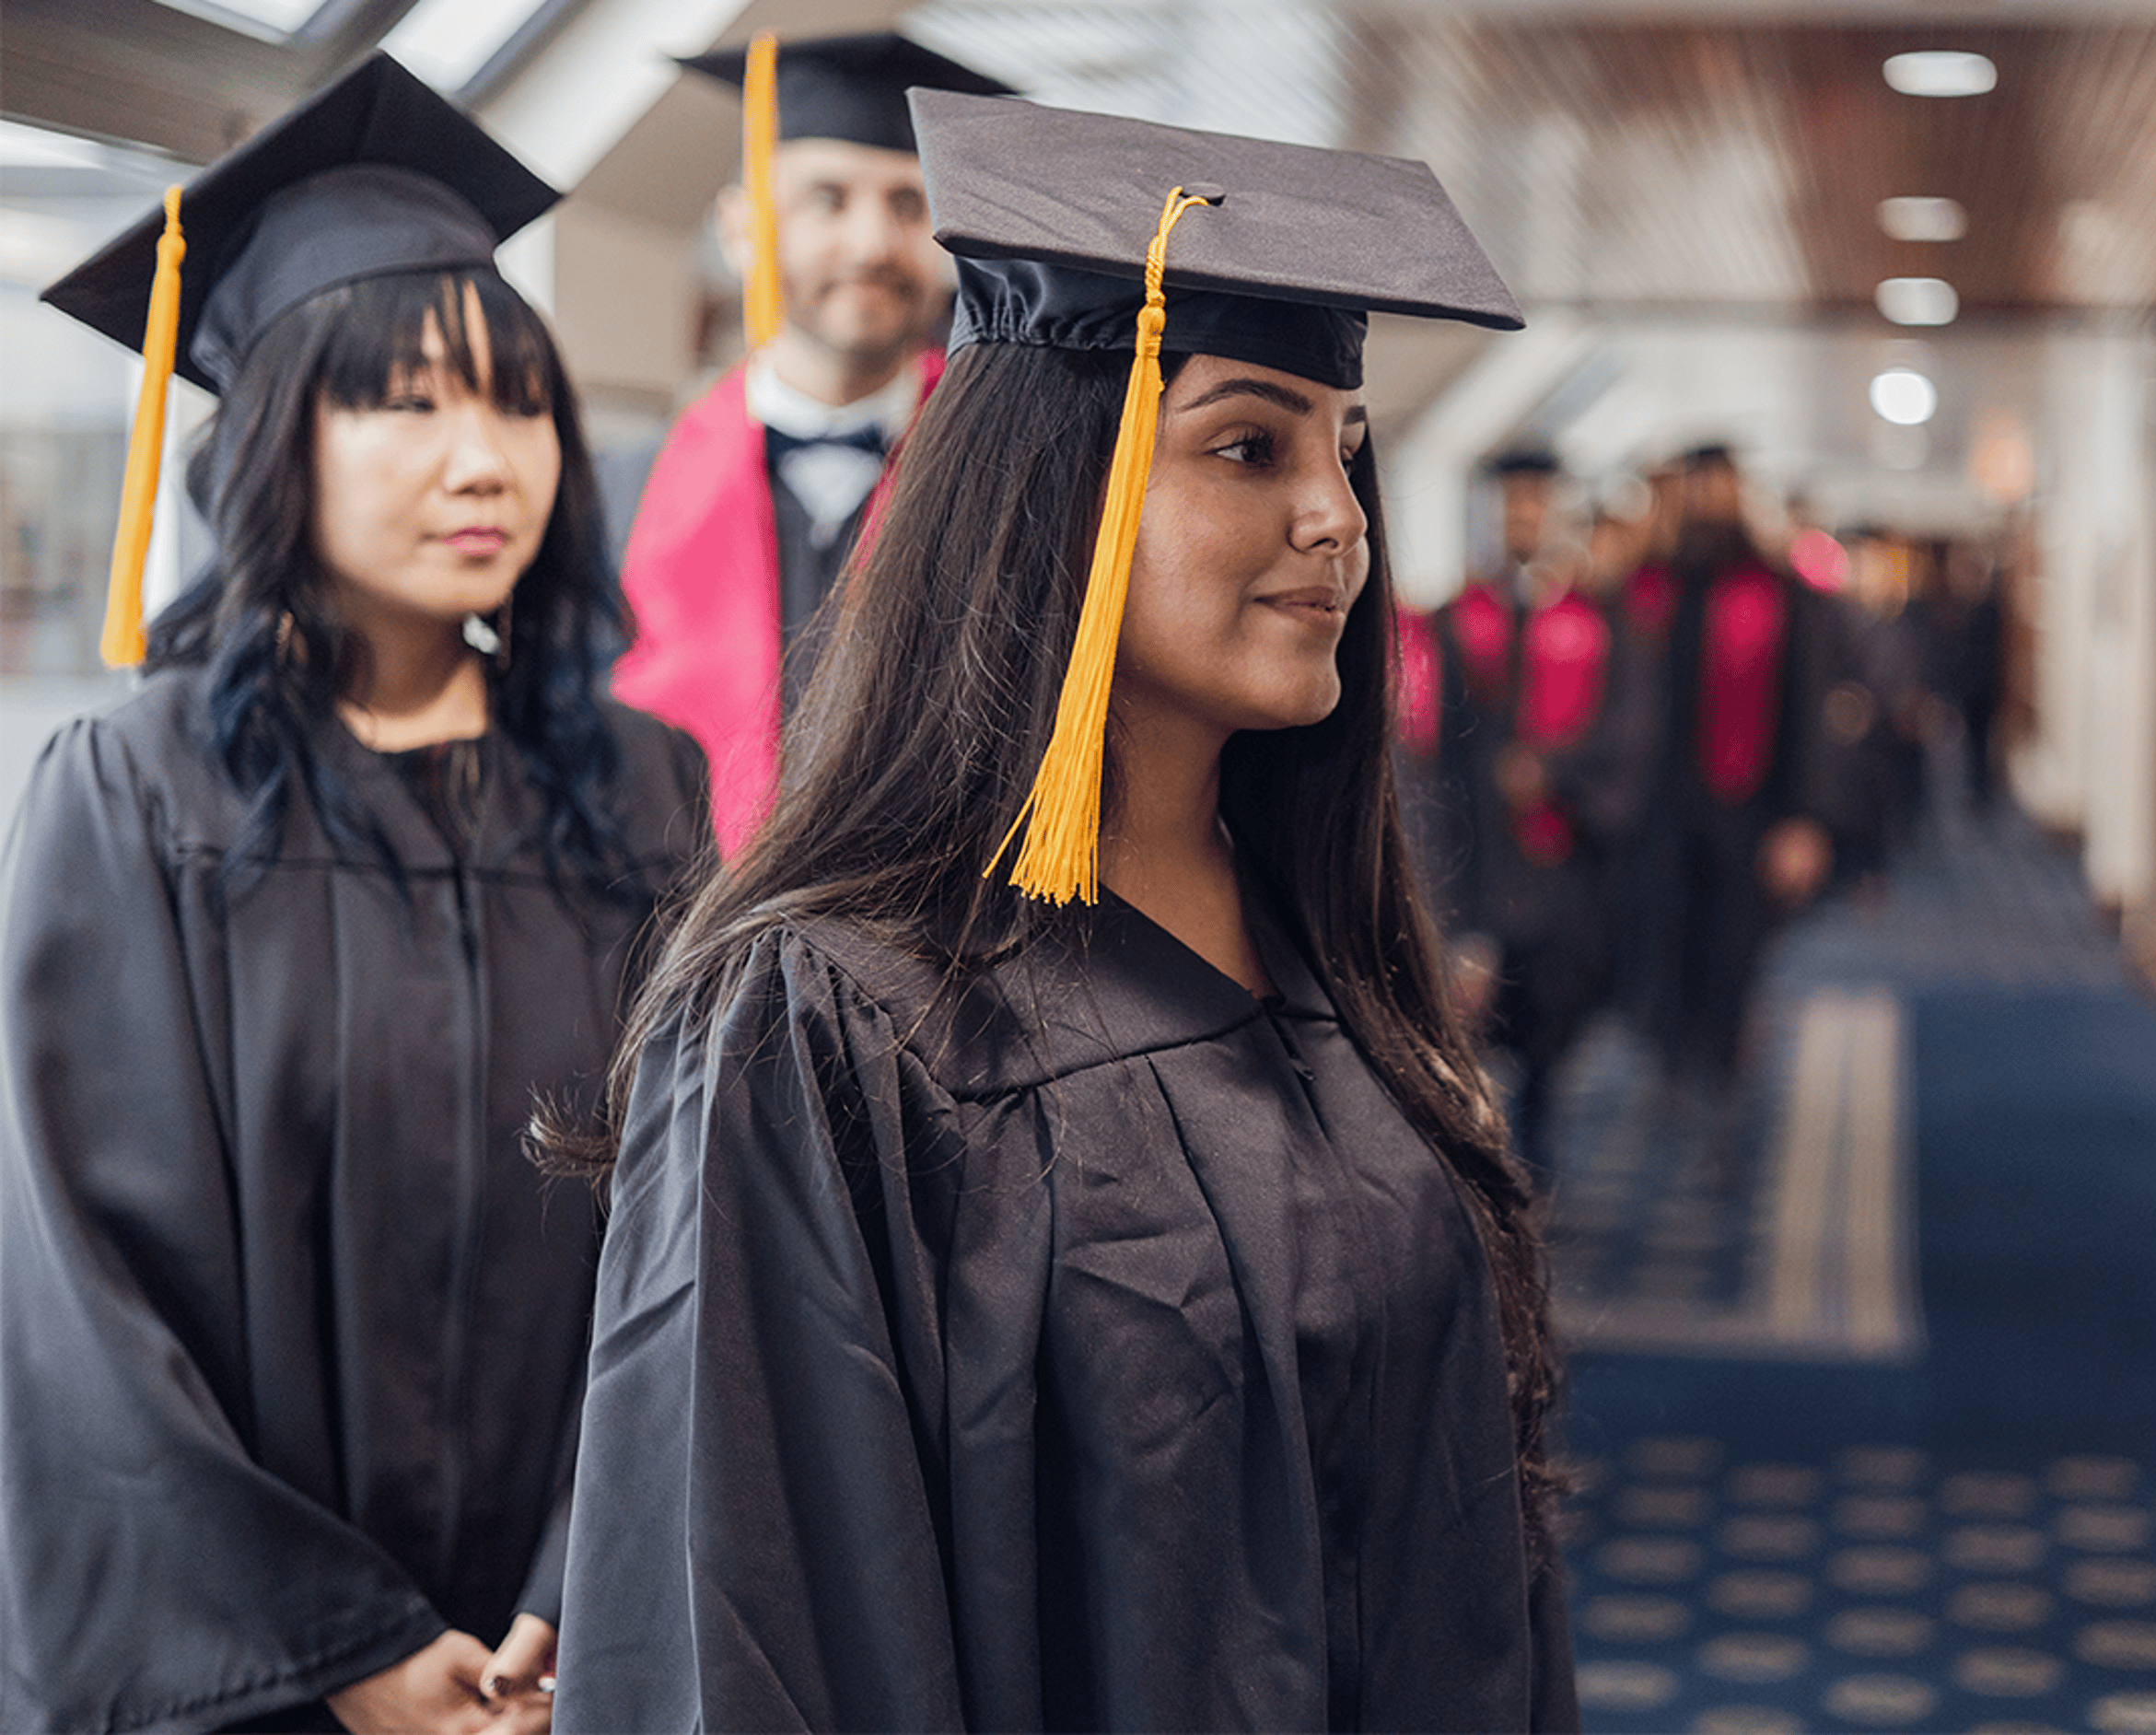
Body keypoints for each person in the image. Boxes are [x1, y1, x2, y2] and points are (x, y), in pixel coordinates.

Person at [552, 93, 1579, 1730]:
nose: (1339, 517)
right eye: (1251, 444)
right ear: (1057, 495)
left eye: (1346, 445)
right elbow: (757, 1638)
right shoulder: (834, 1023)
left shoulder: (1331, 947)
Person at [4, 56, 709, 1734]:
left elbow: (699, 1220)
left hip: (572, 1653)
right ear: (267, 435)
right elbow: (79, 1300)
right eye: (405, 401)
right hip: (261, 1675)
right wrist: (344, 1652)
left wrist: (573, 1585)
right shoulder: (138, 798)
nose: (486, 459)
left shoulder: (638, 791)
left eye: (515, 399)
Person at [608, 32, 1012, 851]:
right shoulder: (617, 494)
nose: (871, 244)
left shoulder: (1011, 481)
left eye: (908, 204)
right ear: (741, 228)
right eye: (827, 198)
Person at [1600, 443, 1857, 1114]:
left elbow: (1807, 709)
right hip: (1659, 807)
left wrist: (1804, 819)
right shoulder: (1653, 584)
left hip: (1748, 805)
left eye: (1720, 487)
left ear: (1740, 495)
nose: (1708, 500)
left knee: (1734, 948)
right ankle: (1674, 1066)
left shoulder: (1780, 590)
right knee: (1664, 937)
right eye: (1697, 488)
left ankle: (1719, 1078)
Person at [1399, 448, 1617, 1170]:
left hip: (1562, 864)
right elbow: (1435, 749)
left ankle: (1541, 1135)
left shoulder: (1598, 623)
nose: (1523, 516)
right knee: (1471, 1023)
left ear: (1556, 515)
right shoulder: (1459, 620)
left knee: (1555, 1022)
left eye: (1536, 503)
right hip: (1480, 856)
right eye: (1511, 504)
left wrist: (1555, 774)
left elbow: (1629, 738)